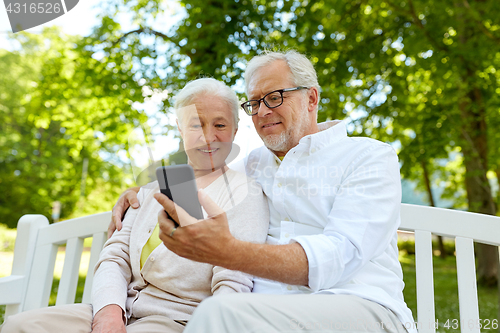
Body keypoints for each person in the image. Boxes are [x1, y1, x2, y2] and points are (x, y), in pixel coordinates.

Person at [110, 50, 416, 333]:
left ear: (311, 99)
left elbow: (340, 255)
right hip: (263, 314)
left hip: (360, 306)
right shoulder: (254, 164)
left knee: (217, 315)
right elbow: (204, 173)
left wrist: (228, 252)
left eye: (274, 97)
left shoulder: (368, 157)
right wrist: (142, 191)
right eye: (254, 103)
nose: (262, 112)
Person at [0, 78, 269, 333]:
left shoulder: (246, 195)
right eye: (196, 125)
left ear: (235, 129)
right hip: (116, 307)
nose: (208, 137)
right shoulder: (156, 186)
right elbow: (115, 256)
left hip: (178, 320)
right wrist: (108, 313)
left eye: (219, 125)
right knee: (18, 326)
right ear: (180, 128)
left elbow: (233, 282)